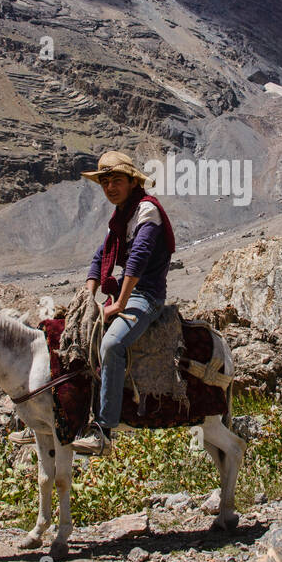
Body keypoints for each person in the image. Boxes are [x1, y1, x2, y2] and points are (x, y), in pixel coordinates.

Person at [71, 150, 175, 455]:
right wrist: (87, 298)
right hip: (124, 294)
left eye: (116, 180)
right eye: (105, 183)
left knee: (113, 345)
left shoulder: (147, 211)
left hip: (147, 297)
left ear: (132, 182)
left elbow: (139, 260)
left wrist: (119, 303)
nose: (110, 188)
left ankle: (104, 430)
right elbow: (99, 258)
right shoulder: (118, 219)